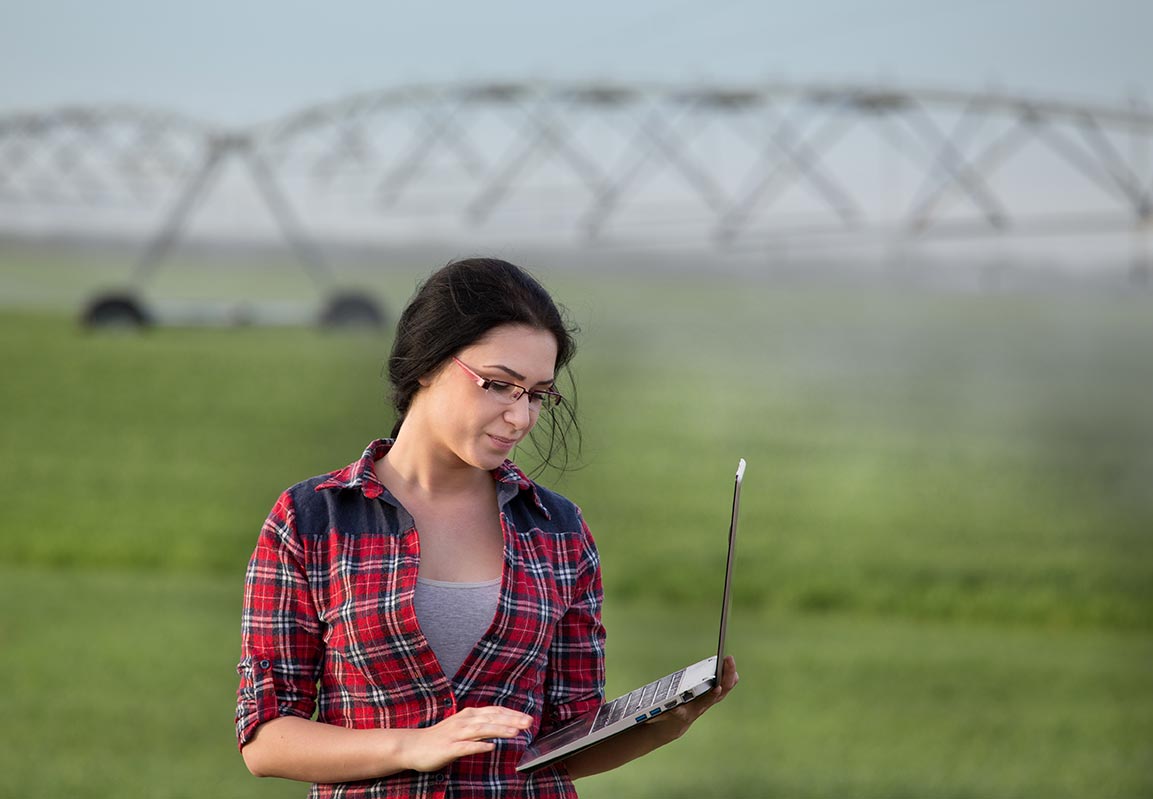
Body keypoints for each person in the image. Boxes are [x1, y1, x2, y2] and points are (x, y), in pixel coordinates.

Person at [235, 257, 738, 798]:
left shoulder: (558, 531)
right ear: (428, 363)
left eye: (538, 394)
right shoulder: (313, 519)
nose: (521, 418)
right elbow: (266, 739)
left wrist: (668, 722)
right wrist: (415, 744)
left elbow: (565, 745)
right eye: (500, 385)